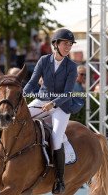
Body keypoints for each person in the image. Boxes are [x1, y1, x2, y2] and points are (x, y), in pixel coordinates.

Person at [23, 28, 77, 194]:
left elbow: (68, 93)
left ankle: (60, 180)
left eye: (70, 44)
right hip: (41, 100)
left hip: (61, 106)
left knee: (56, 138)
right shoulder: (44, 60)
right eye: (65, 43)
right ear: (56, 44)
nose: (68, 47)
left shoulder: (72, 66)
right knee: (18, 119)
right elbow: (33, 83)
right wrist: (22, 95)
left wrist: (53, 104)